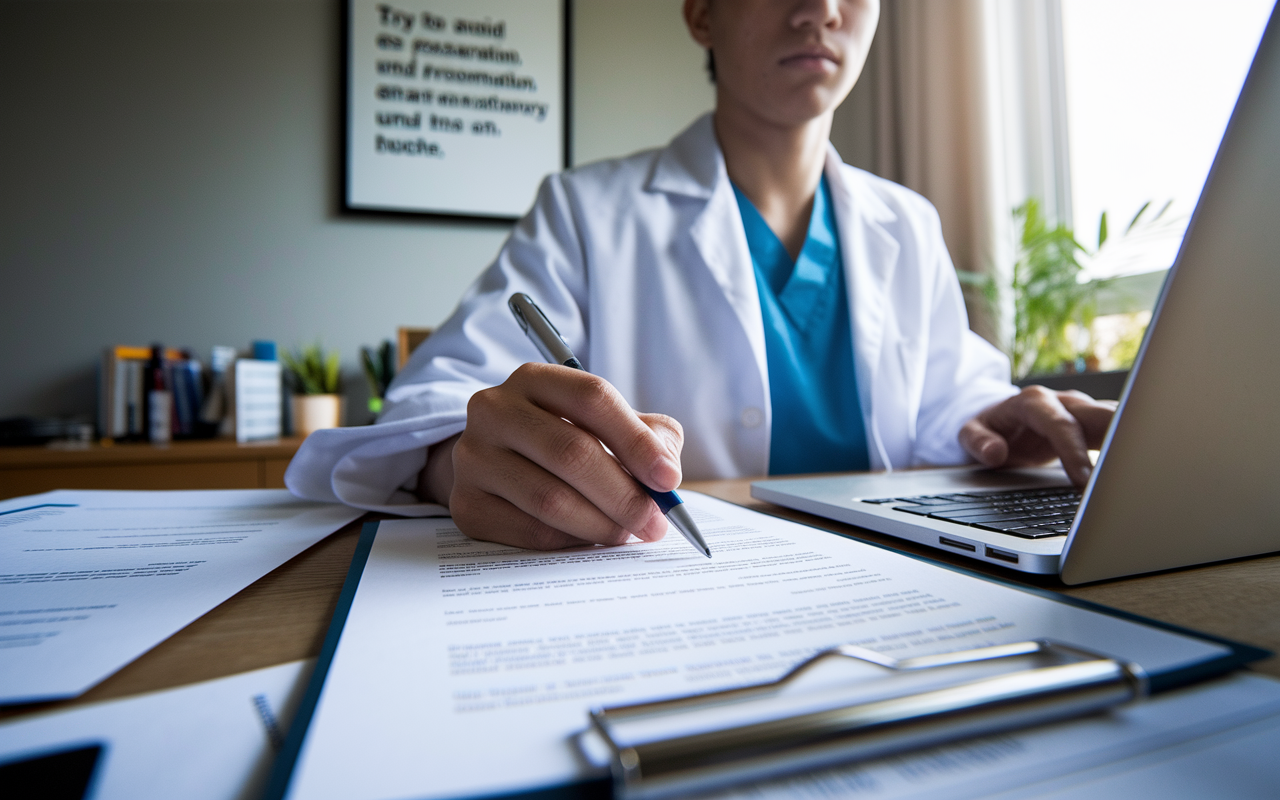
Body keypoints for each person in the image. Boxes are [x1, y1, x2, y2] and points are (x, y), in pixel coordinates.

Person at [286, 0, 1116, 550]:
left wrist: (995, 424)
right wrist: (464, 462)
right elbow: (434, 411)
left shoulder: (908, 221)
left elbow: (945, 402)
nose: (820, 9)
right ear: (701, 13)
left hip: (903, 577)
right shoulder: (586, 210)